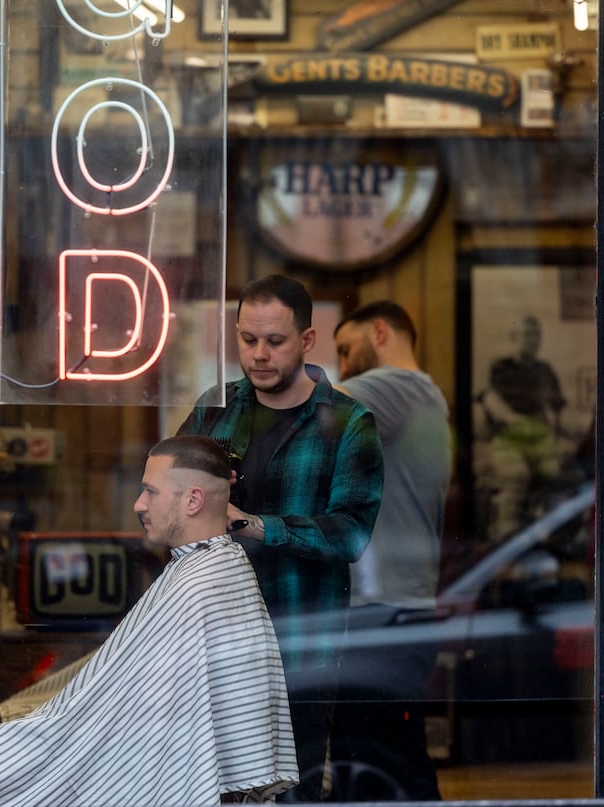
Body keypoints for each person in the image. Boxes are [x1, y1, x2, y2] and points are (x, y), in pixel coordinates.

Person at [0, 435, 299, 807]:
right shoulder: (217, 567)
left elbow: (146, 723)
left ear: (193, 501)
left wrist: (52, 731)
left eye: (150, 491)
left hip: (103, 756)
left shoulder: (200, 584)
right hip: (90, 739)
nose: (139, 504)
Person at [178, 274, 384, 801]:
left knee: (294, 788)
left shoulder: (348, 422)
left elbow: (349, 535)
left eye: (275, 341)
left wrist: (255, 525)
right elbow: (168, 499)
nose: (258, 355)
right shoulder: (215, 408)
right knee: (213, 789)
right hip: (217, 641)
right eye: (248, 340)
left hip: (302, 647)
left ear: (308, 340)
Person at [330, 300, 451, 800]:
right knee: (380, 762)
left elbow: (307, 410)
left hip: (382, 612)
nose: (341, 365)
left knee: (382, 764)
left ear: (379, 331)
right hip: (395, 611)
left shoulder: (399, 386)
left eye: (345, 348)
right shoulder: (423, 398)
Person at [477, 314, 567, 540]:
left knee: (558, 474)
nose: (532, 339)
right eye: (527, 334)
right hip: (508, 437)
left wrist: (556, 436)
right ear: (514, 337)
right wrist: (515, 420)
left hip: (539, 438)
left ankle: (547, 530)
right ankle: (506, 533)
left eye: (536, 334)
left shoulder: (545, 370)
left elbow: (555, 411)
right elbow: (490, 399)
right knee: (517, 474)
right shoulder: (501, 367)